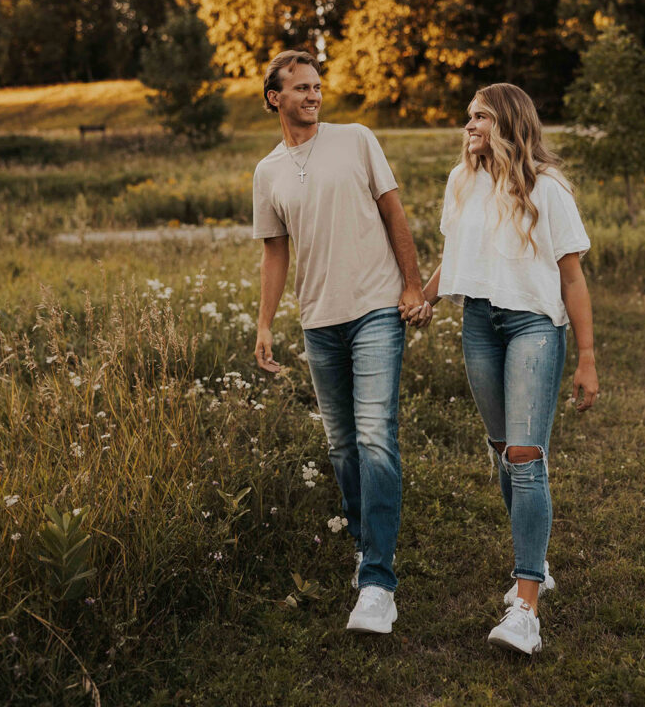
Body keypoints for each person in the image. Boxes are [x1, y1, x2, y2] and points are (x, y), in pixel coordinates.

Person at [412, 83, 599, 655]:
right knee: (502, 450)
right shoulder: (461, 181)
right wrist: (425, 295)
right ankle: (534, 553)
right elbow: (458, 255)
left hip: (534, 328)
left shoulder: (548, 188)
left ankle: (526, 606)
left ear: (510, 123)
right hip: (478, 326)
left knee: (525, 455)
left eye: (481, 117)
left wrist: (586, 357)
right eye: (468, 116)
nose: (469, 125)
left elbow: (571, 278)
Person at [252, 49, 431, 634]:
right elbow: (274, 250)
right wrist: (264, 323)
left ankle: (379, 582)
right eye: (300, 87)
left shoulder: (357, 139)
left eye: (317, 85)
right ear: (274, 97)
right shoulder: (268, 171)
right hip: (319, 320)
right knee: (342, 446)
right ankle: (364, 545)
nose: (313, 94)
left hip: (377, 307)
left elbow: (392, 212)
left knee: (377, 437)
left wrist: (410, 284)